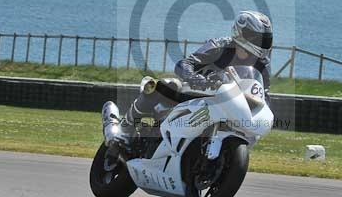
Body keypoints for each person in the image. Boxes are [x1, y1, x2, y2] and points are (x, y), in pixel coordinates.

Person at [114, 10, 273, 143]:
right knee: (166, 84)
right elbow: (185, 64)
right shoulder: (219, 46)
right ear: (243, 33)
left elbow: (263, 95)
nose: (262, 43)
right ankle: (126, 126)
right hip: (195, 93)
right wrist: (197, 79)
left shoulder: (262, 65)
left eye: (265, 40)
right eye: (258, 38)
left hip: (227, 106)